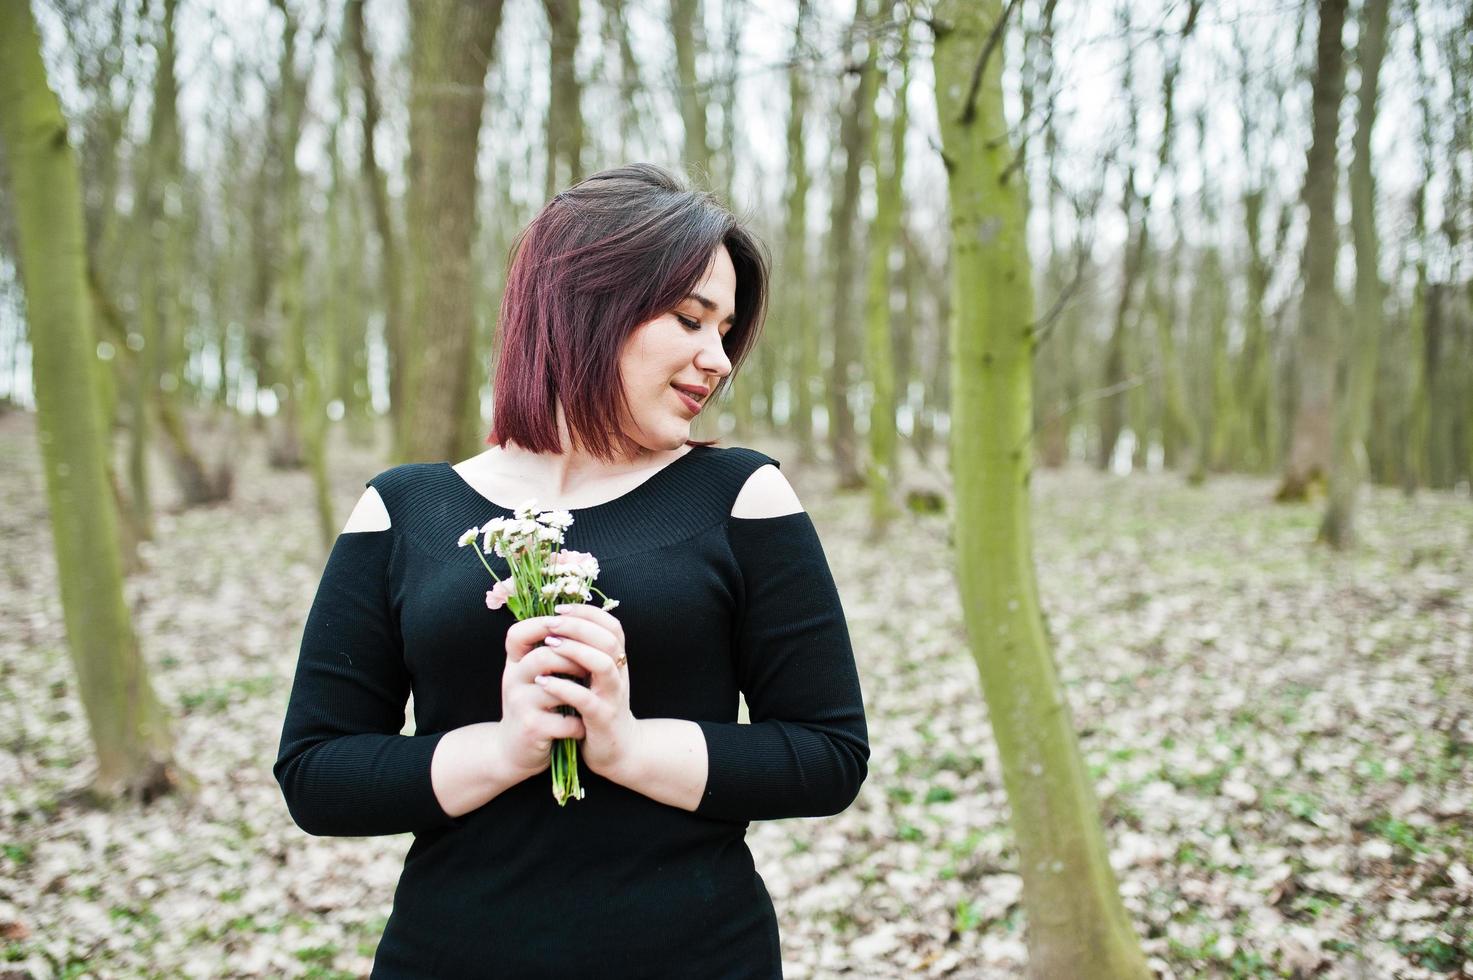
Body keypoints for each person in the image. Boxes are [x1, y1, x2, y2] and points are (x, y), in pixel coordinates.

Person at [274, 163, 869, 978]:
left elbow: (827, 753)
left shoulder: (741, 496)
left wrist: (624, 746)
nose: (719, 359)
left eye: (724, 331)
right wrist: (508, 748)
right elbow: (317, 774)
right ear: (585, 306)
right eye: (691, 320)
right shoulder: (405, 509)